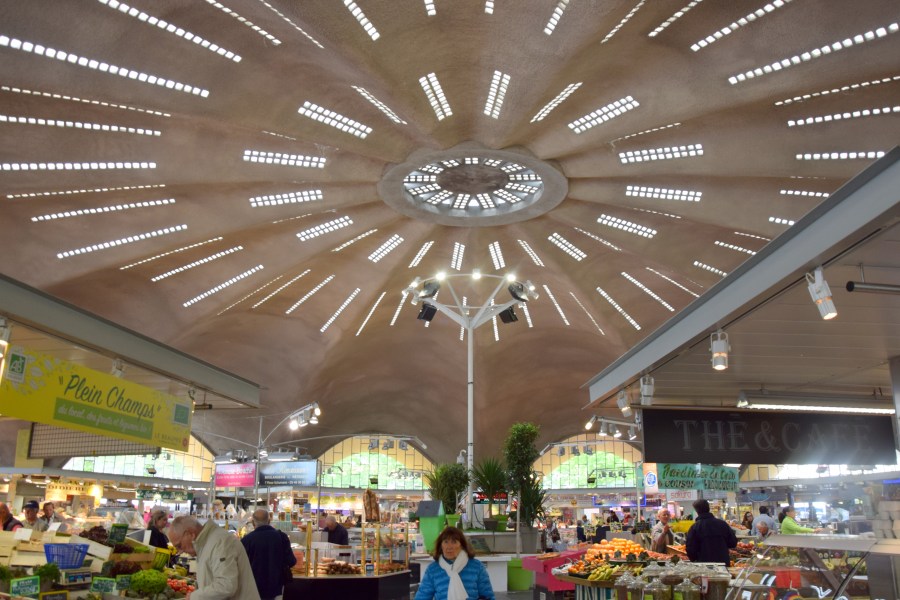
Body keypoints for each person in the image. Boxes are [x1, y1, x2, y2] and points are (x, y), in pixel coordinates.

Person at [168, 515, 260, 600]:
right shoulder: (206, 543)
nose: (180, 551)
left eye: (179, 545)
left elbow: (226, 585)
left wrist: (195, 596)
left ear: (190, 534)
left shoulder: (220, 542)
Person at [415, 526, 495, 600]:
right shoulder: (433, 569)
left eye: (454, 542)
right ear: (441, 546)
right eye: (446, 542)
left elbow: (488, 596)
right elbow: (422, 597)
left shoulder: (477, 567)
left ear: (462, 545)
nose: (449, 547)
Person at [241, 509, 296, 600]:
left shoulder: (246, 540)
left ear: (253, 523)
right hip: (276, 588)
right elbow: (291, 561)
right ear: (269, 521)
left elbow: (241, 565)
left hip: (253, 588)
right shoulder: (281, 537)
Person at [686, 499, 737, 566]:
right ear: (708, 508)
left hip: (703, 565)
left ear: (696, 511)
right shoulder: (722, 524)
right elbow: (733, 543)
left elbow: (690, 549)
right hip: (723, 564)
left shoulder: (694, 527)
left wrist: (695, 559)